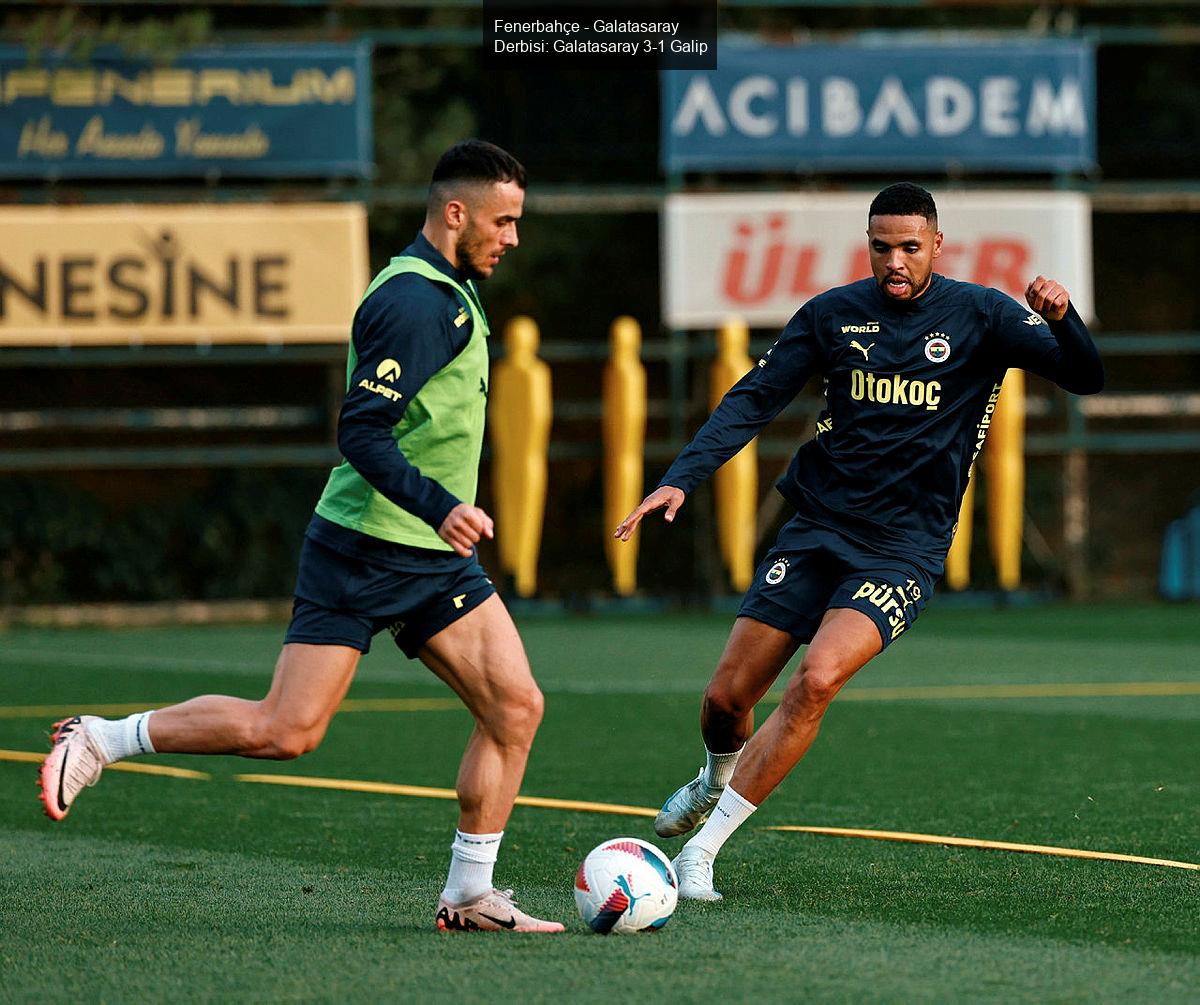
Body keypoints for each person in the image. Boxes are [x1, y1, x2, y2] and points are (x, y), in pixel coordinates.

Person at [39, 139, 564, 934]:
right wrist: (439, 504)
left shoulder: (452, 288)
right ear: (455, 213)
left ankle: (468, 892)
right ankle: (104, 738)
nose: (513, 238)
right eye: (504, 220)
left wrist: (436, 521)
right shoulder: (417, 303)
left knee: (516, 706)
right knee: (285, 731)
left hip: (431, 557)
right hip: (362, 547)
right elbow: (362, 429)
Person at [614, 183, 1104, 901]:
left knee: (816, 680)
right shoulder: (834, 315)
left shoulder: (982, 316)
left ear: (938, 244)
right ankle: (714, 774)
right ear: (868, 246)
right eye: (882, 247)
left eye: (910, 246)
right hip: (816, 527)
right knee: (726, 698)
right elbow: (755, 396)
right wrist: (681, 478)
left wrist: (1065, 322)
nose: (896, 261)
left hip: (904, 549)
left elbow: (1086, 376)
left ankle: (703, 851)